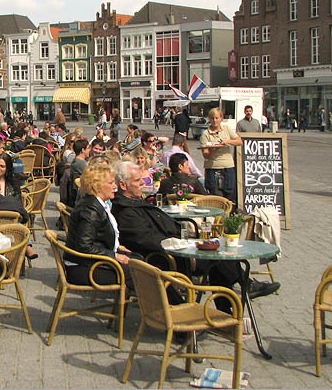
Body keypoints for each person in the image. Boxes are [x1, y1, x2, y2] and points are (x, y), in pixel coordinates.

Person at [112, 161, 278, 311]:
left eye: (142, 179)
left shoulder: (135, 202)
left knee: (218, 255)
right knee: (218, 257)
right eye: (137, 181)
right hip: (166, 258)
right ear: (123, 185)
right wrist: (184, 247)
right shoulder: (126, 211)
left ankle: (229, 306)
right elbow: (147, 240)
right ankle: (242, 290)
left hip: (174, 248)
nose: (143, 183)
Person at [64, 164, 134, 288]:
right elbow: (84, 246)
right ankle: (167, 305)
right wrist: (114, 255)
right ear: (97, 186)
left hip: (90, 262)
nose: (115, 186)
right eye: (111, 183)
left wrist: (118, 248)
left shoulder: (97, 204)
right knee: (140, 273)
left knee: (140, 262)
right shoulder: (91, 209)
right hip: (82, 268)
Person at [200, 108, 242, 201]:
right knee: (215, 195)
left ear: (221, 118)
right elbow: (205, 155)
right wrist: (215, 148)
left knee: (229, 193)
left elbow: (239, 141)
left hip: (228, 166)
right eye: (212, 118)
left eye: (216, 118)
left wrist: (227, 141)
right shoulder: (205, 134)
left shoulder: (226, 129)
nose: (214, 121)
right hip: (213, 167)